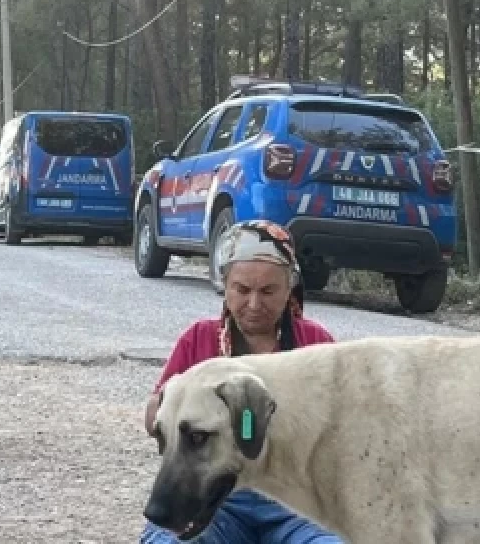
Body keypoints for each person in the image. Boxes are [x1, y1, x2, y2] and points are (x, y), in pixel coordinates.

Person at [139, 220, 342, 544]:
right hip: (218, 499)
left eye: (268, 291)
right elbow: (155, 419)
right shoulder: (200, 339)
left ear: (289, 289)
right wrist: (165, 408)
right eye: (242, 290)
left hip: (298, 503)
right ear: (225, 286)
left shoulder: (315, 342)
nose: (254, 305)